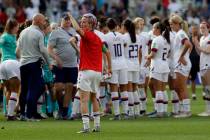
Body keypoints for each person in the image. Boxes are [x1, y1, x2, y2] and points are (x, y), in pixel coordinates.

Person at [69, 13, 111, 133]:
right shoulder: (98, 38)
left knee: (84, 100)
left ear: (91, 24)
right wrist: (109, 68)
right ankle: (97, 126)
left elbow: (77, 29)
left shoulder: (87, 35)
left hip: (86, 71)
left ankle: (86, 127)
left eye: (85, 22)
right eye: (81, 21)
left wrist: (70, 16)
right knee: (94, 98)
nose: (82, 23)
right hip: (97, 72)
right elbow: (107, 52)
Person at [16, 13, 51, 121]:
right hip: (34, 63)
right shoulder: (39, 33)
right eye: (43, 21)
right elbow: (43, 50)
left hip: (23, 64)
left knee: (25, 89)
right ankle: (30, 115)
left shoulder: (23, 32)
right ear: (38, 21)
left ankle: (22, 114)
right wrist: (48, 63)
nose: (44, 23)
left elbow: (17, 51)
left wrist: (23, 58)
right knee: (36, 88)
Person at [48, 13, 78, 119]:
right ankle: (60, 107)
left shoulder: (75, 32)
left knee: (70, 87)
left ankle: (64, 112)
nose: (67, 21)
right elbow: (49, 49)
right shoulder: (55, 32)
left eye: (69, 19)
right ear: (61, 20)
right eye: (65, 19)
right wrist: (57, 59)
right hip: (59, 65)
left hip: (73, 65)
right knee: (58, 88)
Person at [104, 18, 129, 120]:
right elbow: (125, 44)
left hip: (113, 64)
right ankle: (126, 112)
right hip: (123, 63)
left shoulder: (106, 37)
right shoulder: (121, 36)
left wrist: (106, 66)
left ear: (107, 26)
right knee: (123, 88)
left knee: (113, 88)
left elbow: (105, 51)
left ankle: (117, 114)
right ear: (116, 26)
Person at [145, 22, 170, 117]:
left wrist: (147, 57)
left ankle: (159, 112)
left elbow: (153, 54)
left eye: (154, 28)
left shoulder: (156, 40)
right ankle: (163, 110)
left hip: (157, 65)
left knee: (158, 89)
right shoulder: (166, 40)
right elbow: (167, 53)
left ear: (158, 29)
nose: (152, 30)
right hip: (164, 65)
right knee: (163, 89)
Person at [169, 14, 192, 118]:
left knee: (181, 87)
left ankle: (186, 111)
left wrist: (182, 56)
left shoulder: (180, 33)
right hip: (180, 63)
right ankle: (183, 109)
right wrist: (185, 56)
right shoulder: (179, 33)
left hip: (181, 63)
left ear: (177, 24)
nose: (171, 26)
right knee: (178, 87)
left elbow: (188, 44)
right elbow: (189, 46)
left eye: (172, 24)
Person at [0, 18, 20, 120]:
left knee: (7, 90)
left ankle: (9, 112)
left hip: (2, 64)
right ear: (13, 27)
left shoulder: (3, 37)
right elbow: (17, 53)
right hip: (12, 62)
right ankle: (11, 114)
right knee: (15, 89)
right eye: (17, 26)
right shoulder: (12, 38)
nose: (18, 28)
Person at [121, 19, 142, 118]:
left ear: (125, 27)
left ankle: (131, 111)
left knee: (129, 89)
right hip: (136, 64)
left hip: (127, 64)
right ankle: (137, 111)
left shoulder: (124, 37)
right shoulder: (138, 37)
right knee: (134, 88)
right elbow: (140, 52)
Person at [193, 22, 210, 116]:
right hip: (202, 64)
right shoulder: (202, 38)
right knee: (205, 88)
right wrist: (196, 44)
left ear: (208, 28)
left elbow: (208, 51)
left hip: (208, 64)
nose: (202, 29)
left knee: (208, 88)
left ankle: (209, 110)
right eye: (201, 28)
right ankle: (207, 110)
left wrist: (198, 46)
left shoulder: (209, 38)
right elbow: (200, 53)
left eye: (203, 28)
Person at [189, 25, 200, 100]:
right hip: (191, 60)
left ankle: (205, 93)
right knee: (192, 78)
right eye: (193, 29)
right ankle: (193, 94)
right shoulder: (188, 39)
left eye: (196, 29)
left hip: (200, 59)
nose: (194, 30)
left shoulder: (201, 38)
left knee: (204, 77)